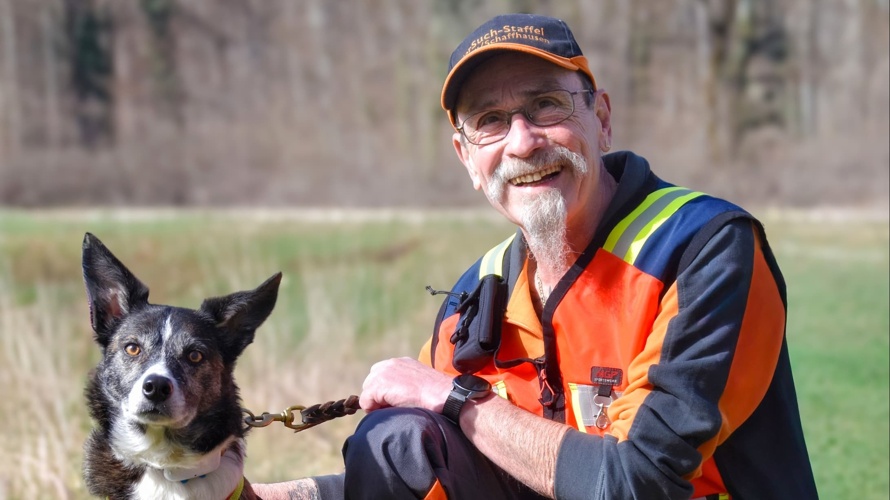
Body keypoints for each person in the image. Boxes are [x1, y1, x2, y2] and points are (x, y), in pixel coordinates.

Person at [255, 13, 818, 500]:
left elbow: (637, 484)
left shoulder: (703, 247)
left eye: (546, 105)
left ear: (600, 119)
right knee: (394, 440)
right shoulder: (479, 295)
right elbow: (400, 474)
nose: (522, 142)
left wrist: (454, 398)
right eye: (490, 122)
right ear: (467, 159)